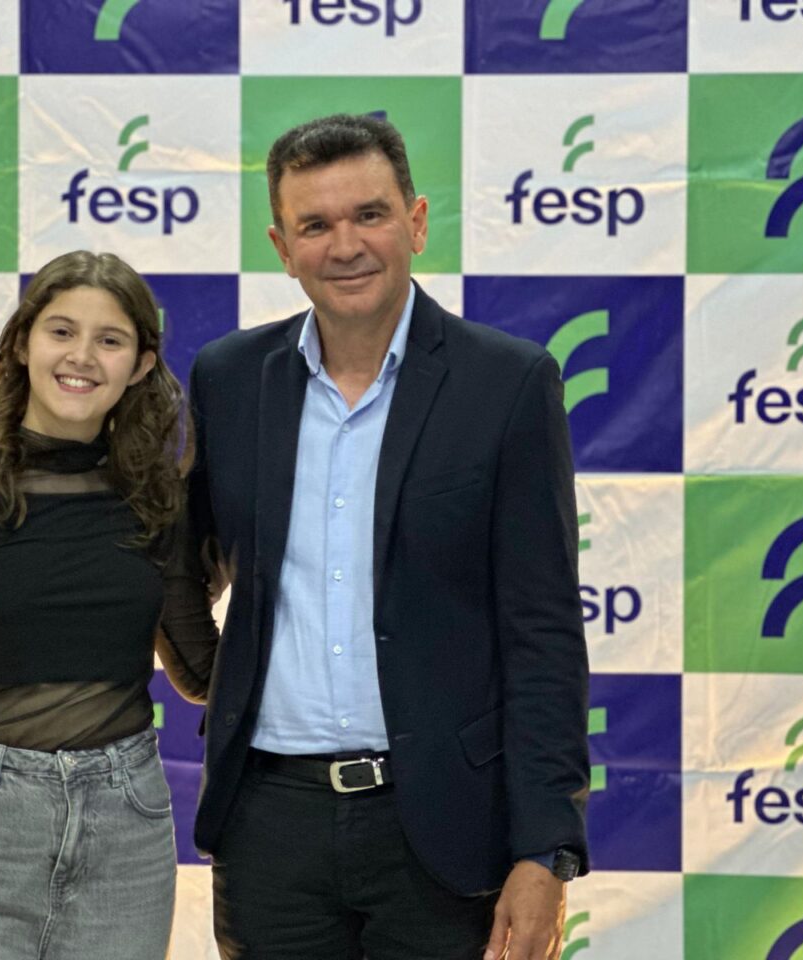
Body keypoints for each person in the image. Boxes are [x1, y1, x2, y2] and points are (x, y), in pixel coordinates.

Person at [186, 114, 590, 960]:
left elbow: (543, 633)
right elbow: (179, 563)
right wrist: (207, 677)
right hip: (269, 830)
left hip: (445, 830)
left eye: (369, 215)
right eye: (315, 225)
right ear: (281, 248)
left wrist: (545, 850)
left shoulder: (508, 382)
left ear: (416, 221)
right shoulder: (228, 380)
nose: (346, 246)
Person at [0, 251, 217, 960]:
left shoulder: (156, 497)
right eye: (61, 331)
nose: (81, 356)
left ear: (140, 366)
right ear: (23, 344)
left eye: (109, 339)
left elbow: (200, 669)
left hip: (127, 827)